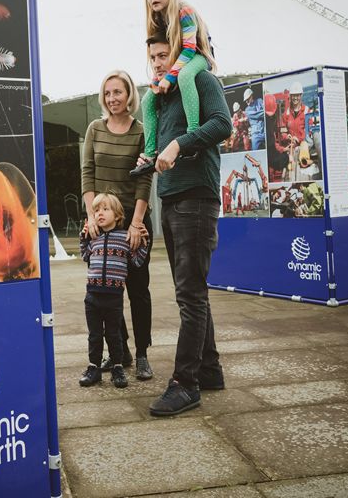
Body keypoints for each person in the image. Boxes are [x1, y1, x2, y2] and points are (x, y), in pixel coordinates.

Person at [135, 32, 232, 417]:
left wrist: (180, 144)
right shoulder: (161, 97)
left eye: (164, 55)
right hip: (173, 197)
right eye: (153, 57)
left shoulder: (200, 80)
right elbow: (162, 147)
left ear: (178, 53)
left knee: (189, 295)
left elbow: (223, 124)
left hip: (196, 195)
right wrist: (153, 154)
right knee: (193, 291)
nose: (158, 62)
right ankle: (208, 369)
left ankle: (185, 383)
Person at [81, 70, 154, 381]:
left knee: (137, 290)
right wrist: (91, 216)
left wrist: (136, 224)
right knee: (106, 287)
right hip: (102, 220)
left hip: (133, 220)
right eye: (107, 93)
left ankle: (141, 355)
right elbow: (88, 175)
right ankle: (119, 350)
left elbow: (145, 179)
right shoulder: (95, 129)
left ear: (129, 97)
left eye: (118, 92)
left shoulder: (141, 130)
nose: (112, 99)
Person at [139, 0, 216, 162]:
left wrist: (170, 76)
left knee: (185, 76)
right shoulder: (158, 18)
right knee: (147, 100)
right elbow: (162, 53)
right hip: (178, 61)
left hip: (198, 55)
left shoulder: (184, 11)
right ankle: (150, 153)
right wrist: (158, 79)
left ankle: (192, 135)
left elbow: (189, 48)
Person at [78, 193, 150, 389]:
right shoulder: (95, 237)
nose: (99, 214)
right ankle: (93, 368)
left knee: (113, 335)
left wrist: (144, 240)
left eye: (105, 209)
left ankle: (118, 366)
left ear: (118, 215)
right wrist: (83, 235)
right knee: (94, 335)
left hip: (113, 297)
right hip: (92, 296)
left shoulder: (125, 238)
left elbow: (136, 261)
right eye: (96, 210)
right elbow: (84, 255)